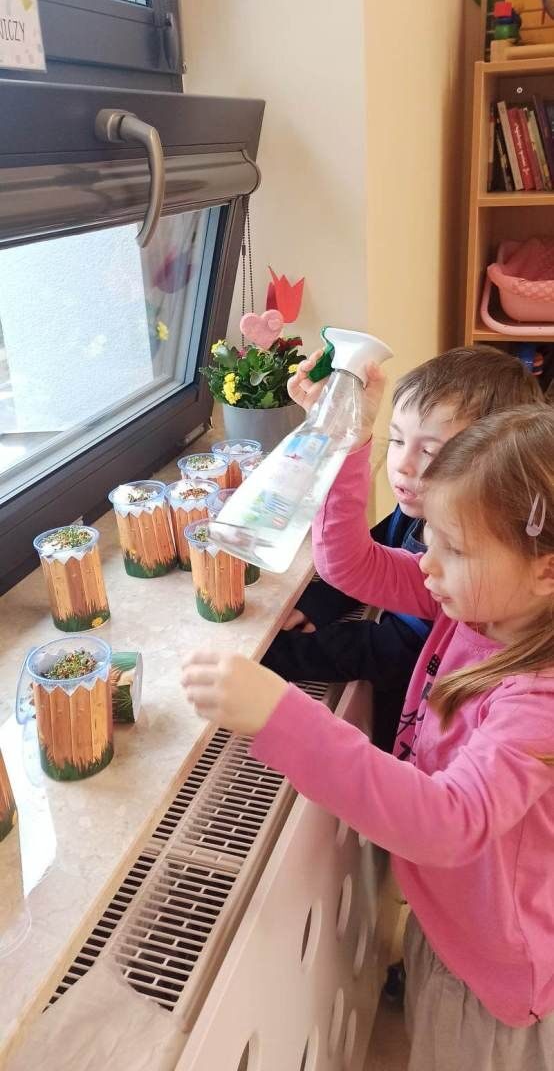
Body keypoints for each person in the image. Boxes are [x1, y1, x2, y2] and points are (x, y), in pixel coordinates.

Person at [182, 367, 554, 1071]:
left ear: (546, 570)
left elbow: (448, 822)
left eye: (453, 547)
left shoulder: (537, 700)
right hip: (454, 919)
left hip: (497, 972)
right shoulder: (482, 596)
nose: (426, 566)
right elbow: (348, 563)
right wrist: (349, 439)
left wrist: (281, 716)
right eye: (428, 537)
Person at [263, 345, 544, 754]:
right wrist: (321, 602)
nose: (403, 464)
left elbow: (389, 650)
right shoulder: (427, 521)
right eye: (395, 439)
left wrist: (277, 657)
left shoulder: (477, 595)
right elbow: (367, 556)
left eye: (430, 451)